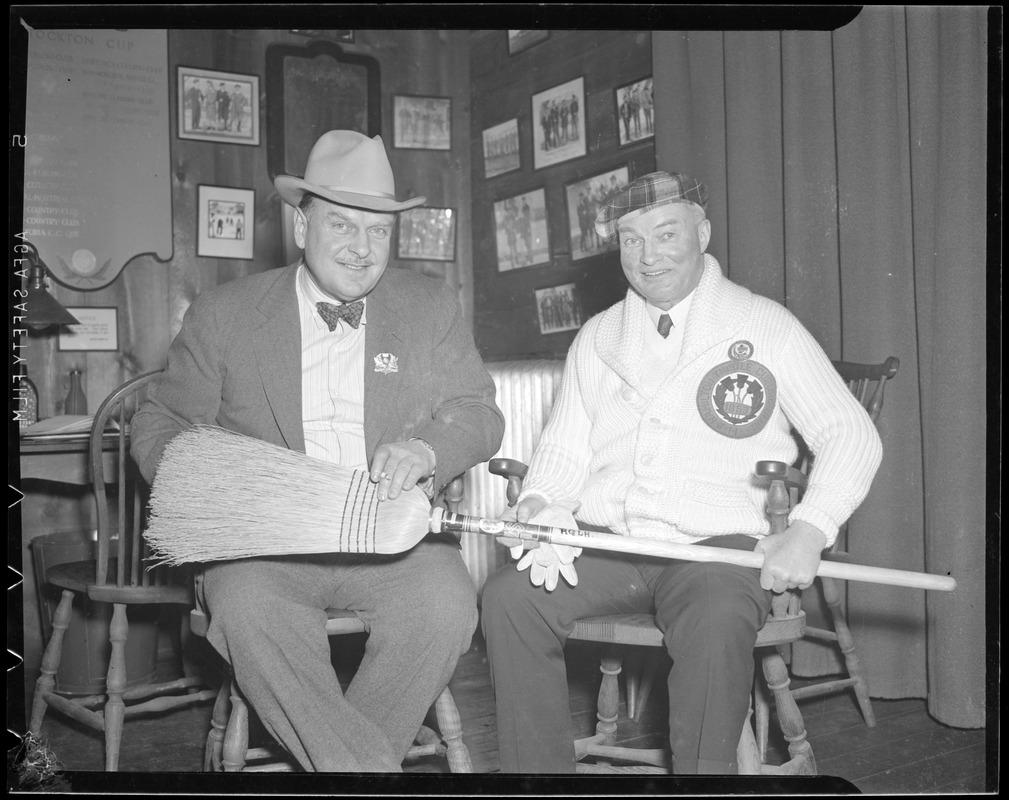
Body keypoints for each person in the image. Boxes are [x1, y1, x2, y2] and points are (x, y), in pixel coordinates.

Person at [480, 171, 882, 774]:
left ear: (703, 233)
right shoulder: (597, 337)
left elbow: (849, 433)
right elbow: (563, 452)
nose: (649, 255)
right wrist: (538, 503)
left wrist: (810, 527)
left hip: (717, 551)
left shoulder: (763, 324)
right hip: (612, 544)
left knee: (718, 615)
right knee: (510, 598)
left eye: (666, 234)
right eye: (631, 239)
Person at [131, 130, 504, 772]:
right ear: (302, 227)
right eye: (342, 225)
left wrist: (428, 448)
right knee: (248, 611)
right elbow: (160, 419)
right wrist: (210, 484)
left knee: (446, 604)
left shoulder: (429, 308)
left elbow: (479, 412)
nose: (362, 249)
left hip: (393, 539)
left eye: (379, 231)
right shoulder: (226, 314)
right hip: (269, 547)